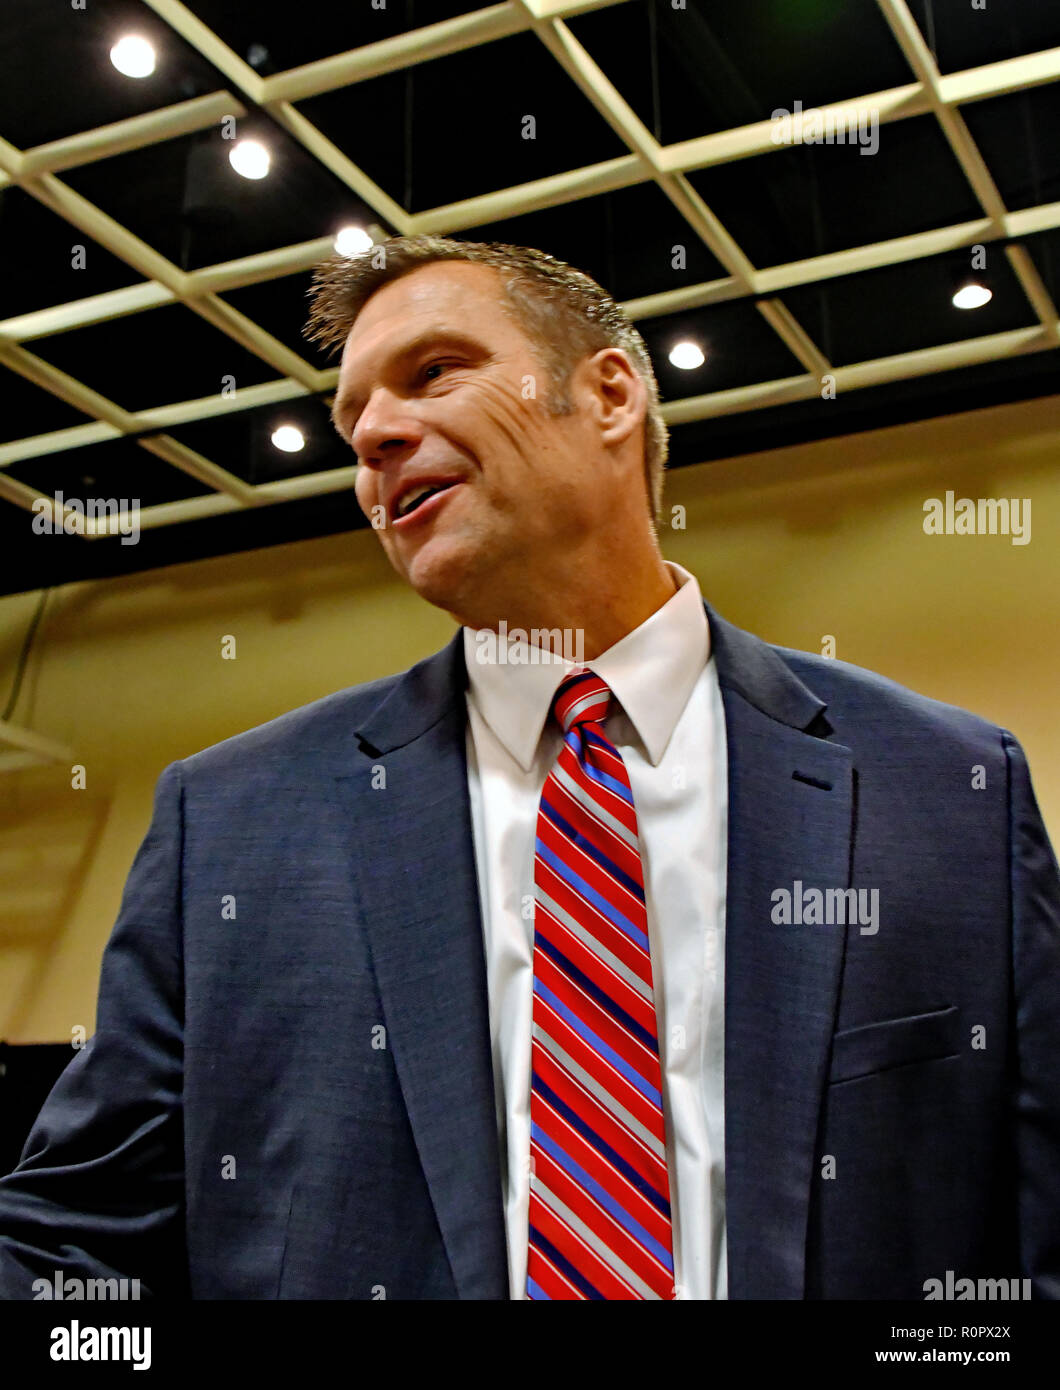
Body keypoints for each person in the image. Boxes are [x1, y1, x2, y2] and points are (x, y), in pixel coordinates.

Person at [0, 235, 1057, 1301]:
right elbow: (69, 1242)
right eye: (351, 421)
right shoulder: (225, 821)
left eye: (432, 372)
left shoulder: (952, 784)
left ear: (607, 396)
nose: (372, 434)